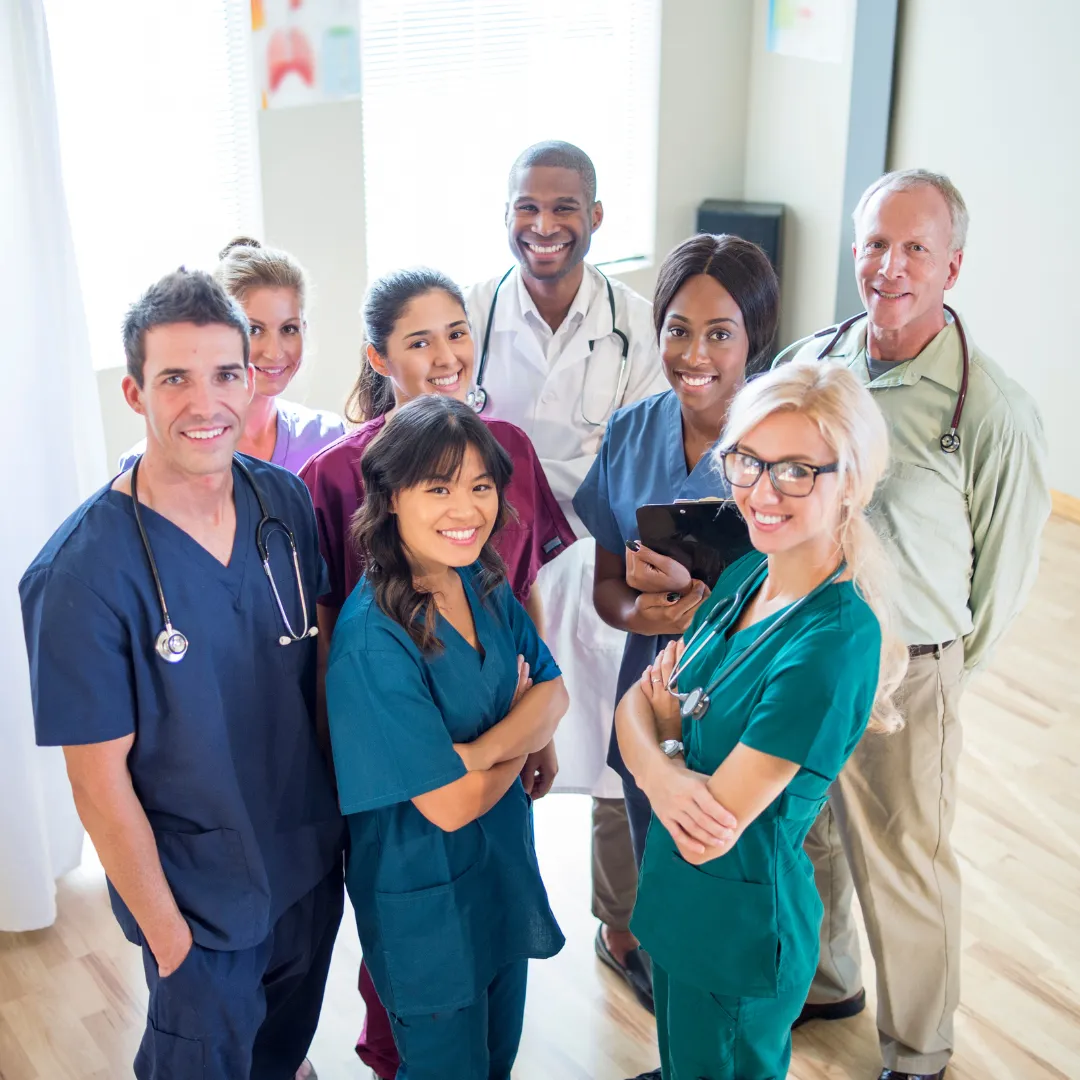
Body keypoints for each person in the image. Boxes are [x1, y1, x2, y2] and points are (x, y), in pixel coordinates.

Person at [19, 269, 344, 1080]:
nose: (207, 404)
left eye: (226, 374)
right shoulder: (82, 572)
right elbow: (96, 784)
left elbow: (313, 680)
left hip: (304, 862)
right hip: (195, 899)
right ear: (134, 392)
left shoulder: (284, 506)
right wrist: (169, 938)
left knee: (282, 1055)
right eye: (176, 379)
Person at [779, 170, 1050, 1080]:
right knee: (808, 828)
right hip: (809, 648)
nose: (889, 267)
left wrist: (944, 673)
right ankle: (826, 982)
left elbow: (1006, 569)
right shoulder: (812, 368)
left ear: (953, 266)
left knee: (904, 862)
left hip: (909, 668)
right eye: (874, 245)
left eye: (916, 249)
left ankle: (920, 1051)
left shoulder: (989, 409)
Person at [299, 267, 575, 1080]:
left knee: (497, 1058)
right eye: (439, 490)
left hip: (496, 877)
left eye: (482, 487)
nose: (468, 508)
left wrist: (478, 754)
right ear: (389, 500)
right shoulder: (371, 642)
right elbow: (447, 808)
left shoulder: (483, 581)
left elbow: (555, 689)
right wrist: (515, 739)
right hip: (423, 901)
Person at [615, 359, 907, 1080]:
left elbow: (708, 825)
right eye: (748, 461)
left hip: (739, 931)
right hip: (683, 909)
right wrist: (664, 768)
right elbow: (633, 703)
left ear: (852, 483)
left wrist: (660, 745)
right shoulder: (750, 573)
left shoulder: (833, 641)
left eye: (797, 471)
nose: (760, 492)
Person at [465, 139, 667, 1005]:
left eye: (563, 208)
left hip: (600, 563)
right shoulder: (469, 315)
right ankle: (489, 919)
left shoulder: (636, 321)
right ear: (505, 212)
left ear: (594, 216)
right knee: (505, 745)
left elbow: (653, 445)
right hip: (494, 574)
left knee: (622, 755)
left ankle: (619, 924)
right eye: (526, 207)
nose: (543, 227)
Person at [575, 233, 779, 869]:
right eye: (678, 330)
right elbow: (608, 585)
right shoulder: (632, 432)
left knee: (742, 888)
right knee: (657, 874)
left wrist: (710, 611)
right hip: (651, 701)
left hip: (754, 706)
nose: (694, 354)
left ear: (756, 339)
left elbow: (811, 599)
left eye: (720, 333)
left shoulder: (787, 440)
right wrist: (643, 616)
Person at [119, 238, 344, 474]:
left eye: (289, 329)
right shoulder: (144, 466)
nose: (275, 352)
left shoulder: (328, 438)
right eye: (254, 330)